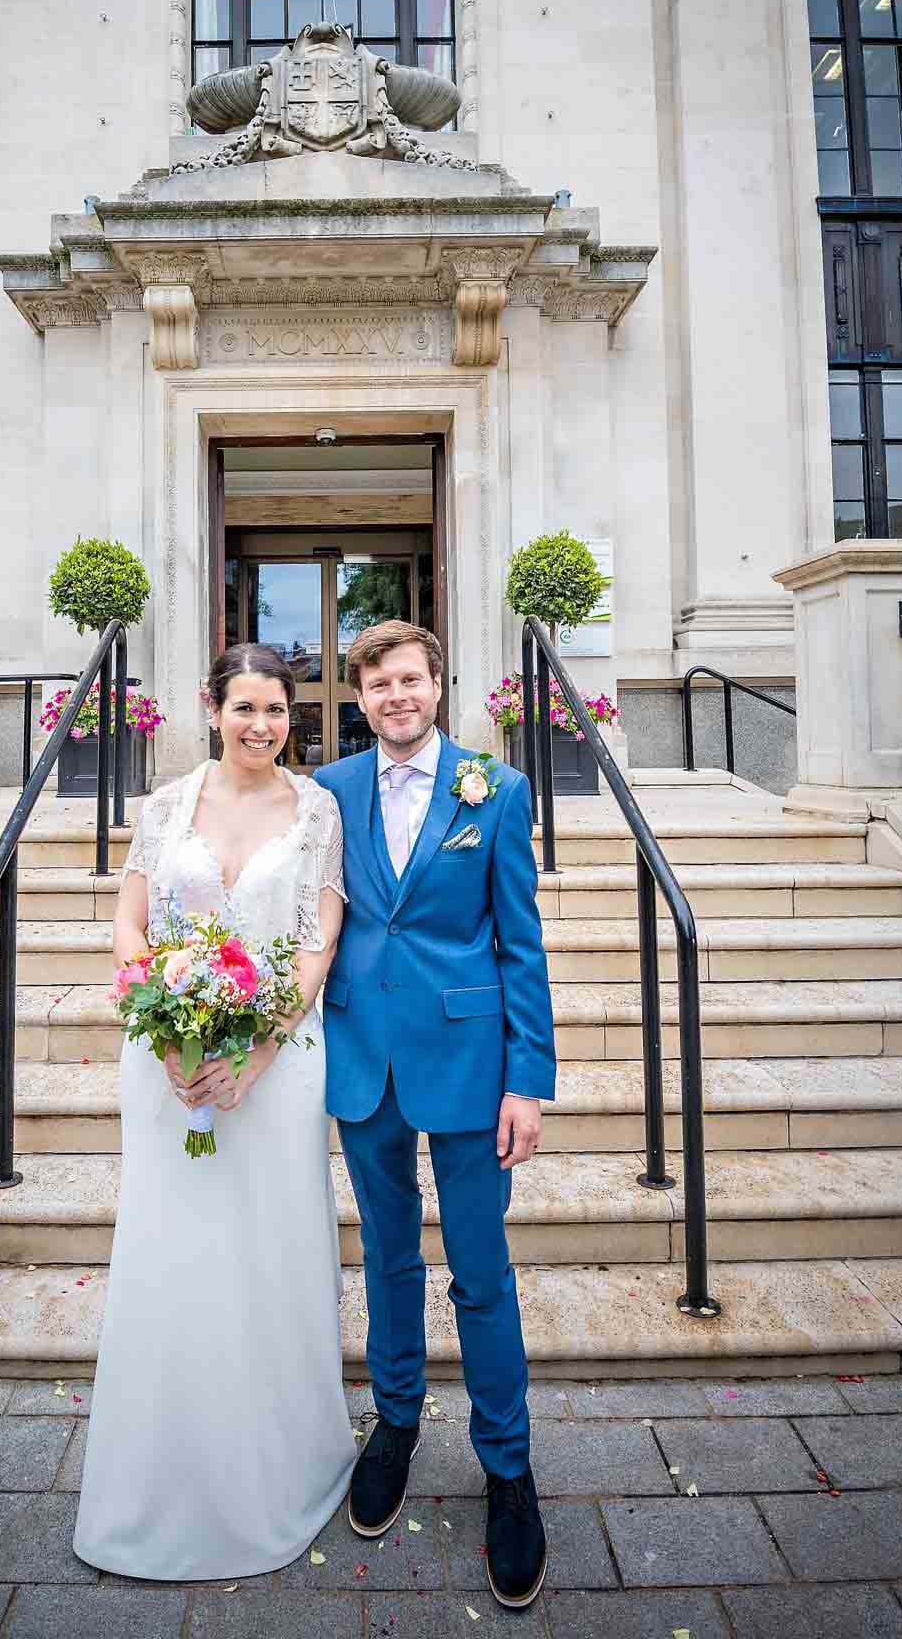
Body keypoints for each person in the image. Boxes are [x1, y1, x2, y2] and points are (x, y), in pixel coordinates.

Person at [74, 643, 356, 1581]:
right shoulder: (165, 806)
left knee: (266, 1252)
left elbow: (315, 944)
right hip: (166, 1062)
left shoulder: (316, 810)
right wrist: (161, 1034)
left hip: (278, 1066)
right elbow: (129, 924)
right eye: (244, 708)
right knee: (174, 1252)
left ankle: (275, 1470)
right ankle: (157, 1475)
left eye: (276, 710)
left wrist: (259, 1052)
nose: (261, 726)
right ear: (211, 709)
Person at [313, 620, 557, 1613]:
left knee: (481, 1269)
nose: (395, 695)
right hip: (362, 1052)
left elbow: (519, 944)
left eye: (409, 678)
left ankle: (507, 1463)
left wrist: (526, 1079)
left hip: (468, 1060)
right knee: (384, 1254)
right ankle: (397, 1421)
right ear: (359, 694)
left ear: (436, 683)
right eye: (377, 683)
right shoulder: (324, 792)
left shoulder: (493, 790)